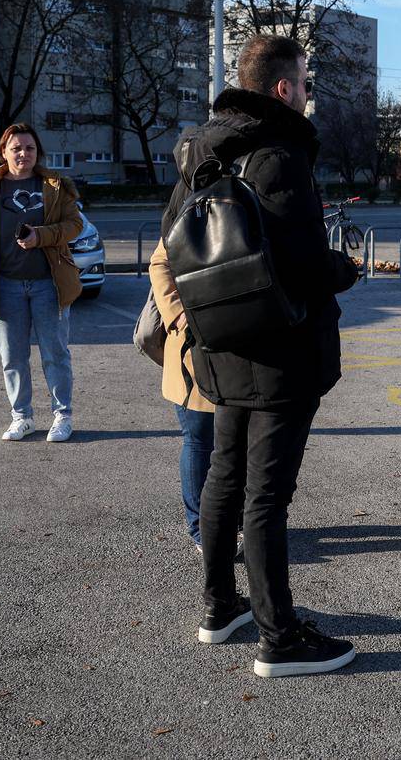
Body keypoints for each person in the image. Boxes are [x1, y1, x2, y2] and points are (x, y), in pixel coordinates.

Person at [187, 34, 361, 679]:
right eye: (305, 82)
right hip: (280, 347)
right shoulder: (279, 156)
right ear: (284, 88)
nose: (309, 92)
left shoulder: (205, 147)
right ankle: (279, 638)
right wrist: (343, 270)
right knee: (266, 495)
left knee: (224, 475)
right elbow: (303, 265)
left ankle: (219, 606)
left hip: (223, 335)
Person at [0, 122, 85, 443]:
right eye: (16, 148)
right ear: (3, 152)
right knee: (12, 357)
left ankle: (63, 416)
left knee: (55, 353)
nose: (23, 154)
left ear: (37, 153)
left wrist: (40, 237)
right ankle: (22, 417)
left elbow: (74, 225)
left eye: (29, 148)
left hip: (49, 284)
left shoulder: (55, 186)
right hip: (5, 285)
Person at [149, 125, 213, 555]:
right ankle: (198, 529)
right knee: (197, 438)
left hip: (226, 341)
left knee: (225, 444)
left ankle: (223, 521)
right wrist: (179, 321)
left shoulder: (233, 192)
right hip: (191, 343)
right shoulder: (183, 200)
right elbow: (160, 264)